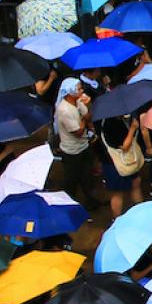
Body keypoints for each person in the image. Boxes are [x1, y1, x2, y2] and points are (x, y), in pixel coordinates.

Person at [55, 77, 100, 209]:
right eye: (79, 88)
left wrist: (86, 110)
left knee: (87, 176)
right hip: (71, 151)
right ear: (70, 92)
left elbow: (88, 115)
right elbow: (78, 131)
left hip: (84, 146)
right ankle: (68, 205)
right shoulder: (64, 110)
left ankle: (91, 202)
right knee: (71, 180)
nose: (81, 91)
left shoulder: (78, 101)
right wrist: (84, 119)